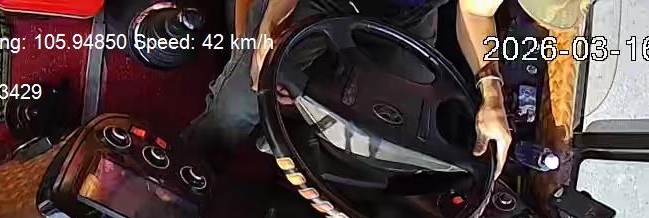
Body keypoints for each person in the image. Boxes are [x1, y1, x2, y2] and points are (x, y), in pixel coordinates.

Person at [185, 0, 588, 172]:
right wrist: (274, 20)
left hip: (408, 19)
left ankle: (309, 156)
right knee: (239, 103)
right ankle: (191, 167)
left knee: (403, 137)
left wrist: (492, 95)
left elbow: (476, 11)